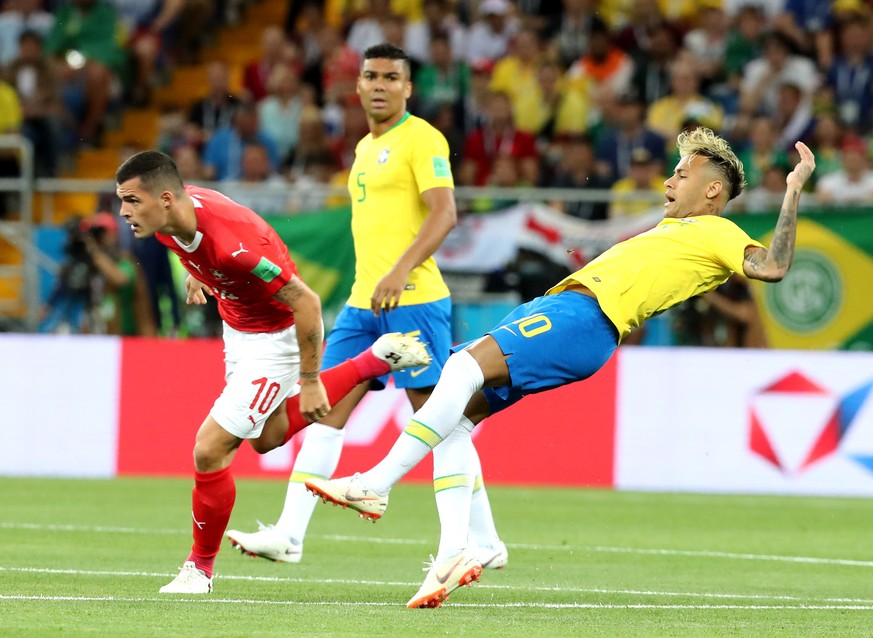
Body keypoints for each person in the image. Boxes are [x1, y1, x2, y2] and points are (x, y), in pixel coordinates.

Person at [305, 126, 817, 608]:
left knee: (460, 369)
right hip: (563, 312)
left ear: (711, 190)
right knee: (457, 421)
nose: (668, 180)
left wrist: (792, 191)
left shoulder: (715, 230)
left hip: (584, 319)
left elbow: (771, 266)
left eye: (681, 173)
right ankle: (465, 550)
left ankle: (376, 484)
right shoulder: (675, 230)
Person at [225, 42, 507, 573]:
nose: (379, 84)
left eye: (391, 77)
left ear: (407, 87)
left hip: (415, 300)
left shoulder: (423, 138)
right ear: (356, 85)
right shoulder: (360, 148)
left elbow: (444, 213)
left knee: (439, 421)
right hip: (362, 304)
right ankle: (289, 534)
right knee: (325, 411)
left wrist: (400, 269)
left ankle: (485, 539)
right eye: (371, 75)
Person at [113, 150, 432, 594]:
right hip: (237, 326)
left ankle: (198, 570)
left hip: (279, 334)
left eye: (130, 200)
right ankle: (373, 361)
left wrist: (310, 379)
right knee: (267, 439)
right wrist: (197, 271)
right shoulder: (169, 219)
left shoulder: (234, 246)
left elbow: (307, 303)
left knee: (208, 450)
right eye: (121, 200)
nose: (123, 211)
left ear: (166, 198)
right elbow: (197, 243)